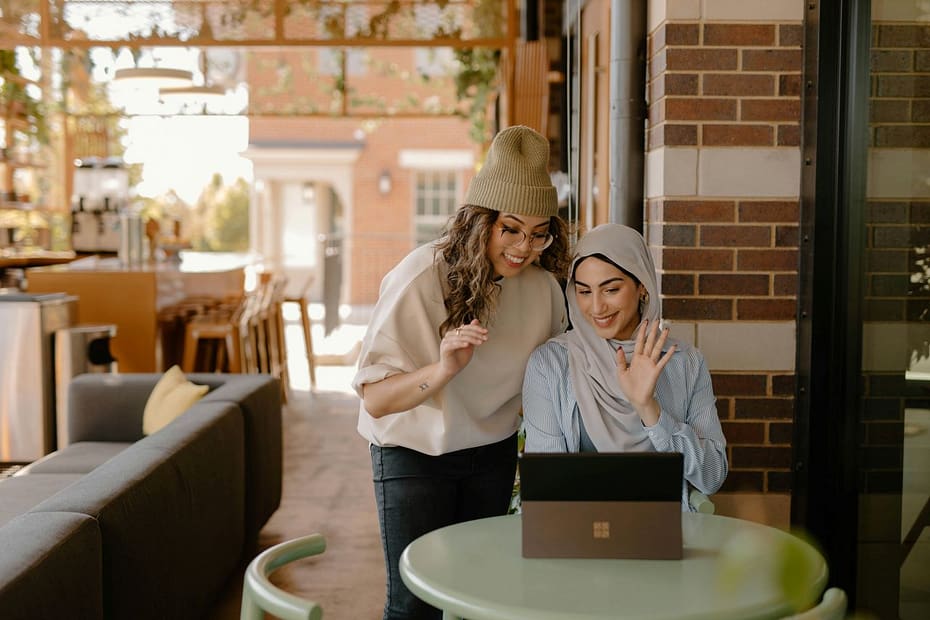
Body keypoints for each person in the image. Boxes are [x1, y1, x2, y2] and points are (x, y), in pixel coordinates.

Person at [352, 125, 571, 620]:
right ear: (480, 221)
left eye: (539, 234)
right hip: (414, 453)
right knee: (414, 605)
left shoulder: (542, 290)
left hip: (490, 454)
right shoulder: (420, 277)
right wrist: (445, 368)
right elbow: (376, 400)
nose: (523, 247)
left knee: (479, 598)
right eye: (510, 228)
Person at [522, 223, 727, 508]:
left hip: (661, 533)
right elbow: (547, 489)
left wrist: (649, 409)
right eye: (584, 292)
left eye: (611, 290)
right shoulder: (550, 365)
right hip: (575, 533)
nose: (596, 307)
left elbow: (712, 477)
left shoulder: (685, 362)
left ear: (642, 284)